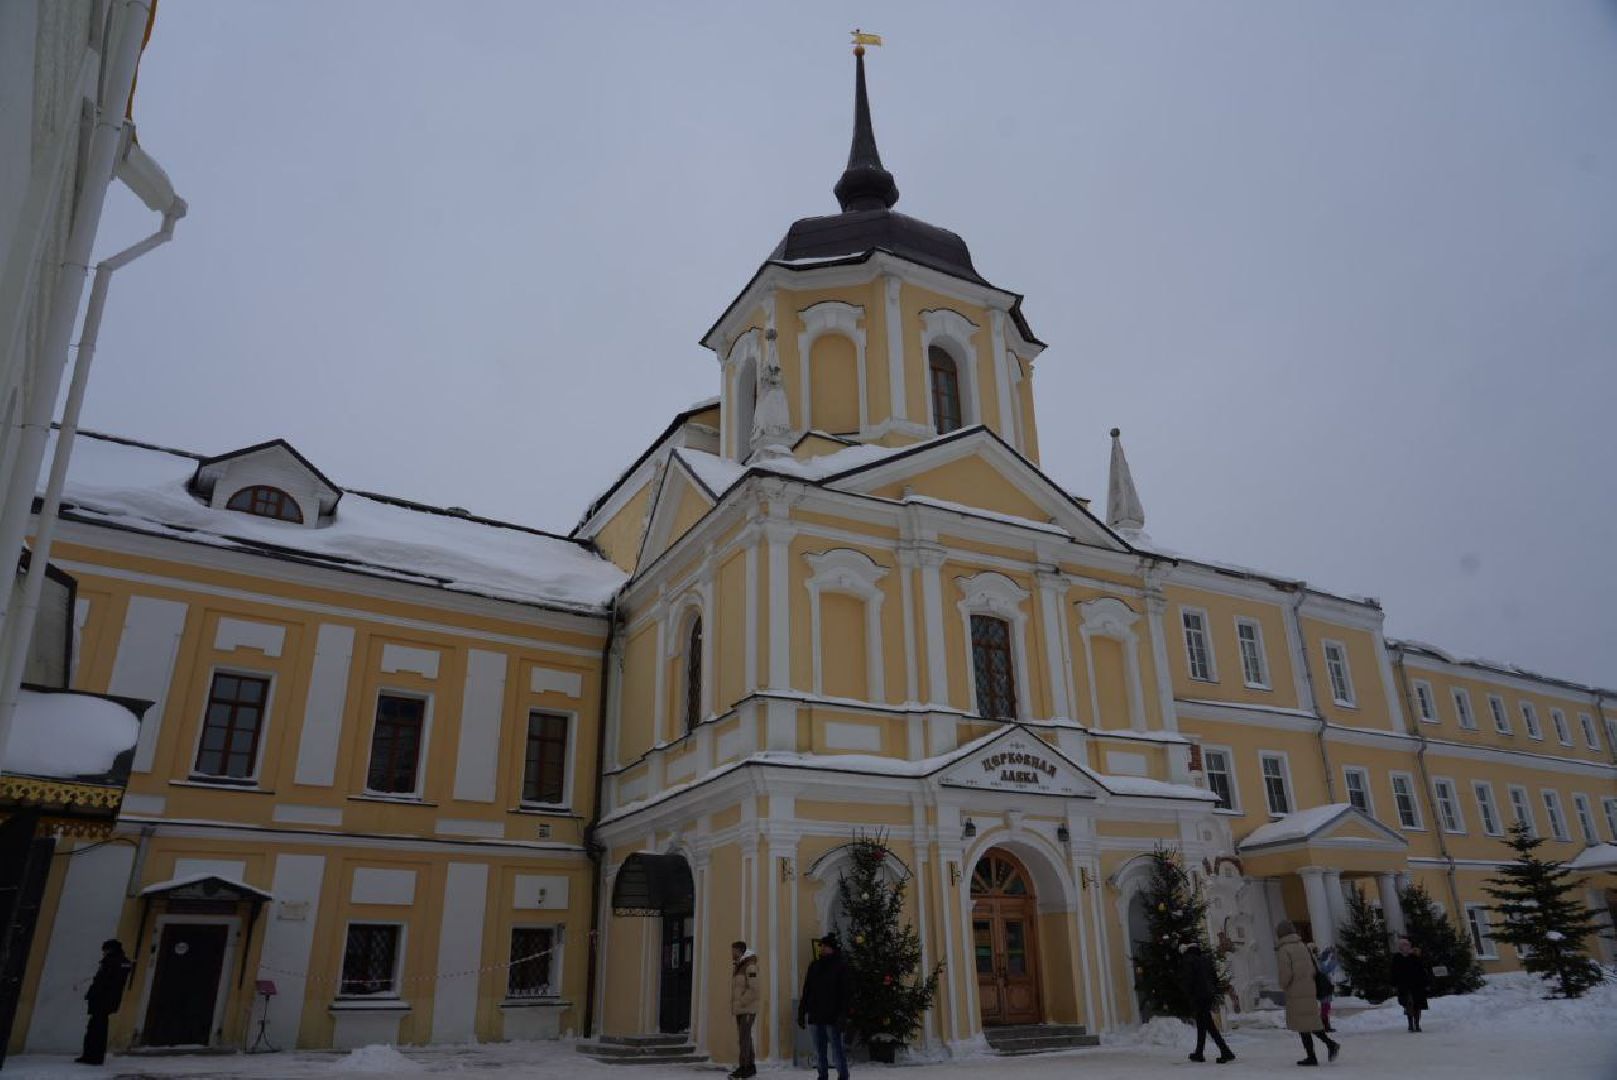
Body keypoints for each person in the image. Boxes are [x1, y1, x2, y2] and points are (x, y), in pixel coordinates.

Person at [1275, 922, 1340, 1067]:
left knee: (1303, 1024)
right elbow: (1314, 967)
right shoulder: (1303, 946)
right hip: (1309, 988)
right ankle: (1324, 1048)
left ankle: (1319, 1052)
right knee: (1309, 1022)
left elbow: (1286, 973)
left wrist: (1283, 984)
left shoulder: (1284, 950)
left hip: (1295, 990)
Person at [797, 933, 852, 1080]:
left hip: (833, 1016)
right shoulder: (814, 966)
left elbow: (845, 993)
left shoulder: (841, 966)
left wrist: (843, 1014)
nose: (822, 948)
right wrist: (802, 1011)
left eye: (825, 946)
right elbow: (807, 989)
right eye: (821, 946)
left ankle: (843, 1075)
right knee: (819, 1050)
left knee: (837, 1049)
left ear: (832, 948)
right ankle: (822, 1075)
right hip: (815, 1014)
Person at [1179, 941, 1235, 1064]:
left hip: (1198, 997)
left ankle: (1225, 1051)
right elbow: (1214, 979)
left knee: (1208, 1025)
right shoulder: (1205, 959)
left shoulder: (1188, 960)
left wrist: (1188, 994)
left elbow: (1188, 979)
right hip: (1208, 996)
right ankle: (1200, 1052)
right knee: (1204, 1024)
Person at [77, 939, 131, 1065]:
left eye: (105, 949)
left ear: (110, 949)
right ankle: (93, 1056)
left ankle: (92, 1056)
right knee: (98, 1027)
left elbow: (102, 982)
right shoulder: (122, 962)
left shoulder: (111, 962)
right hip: (109, 1000)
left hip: (102, 999)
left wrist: (92, 994)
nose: (103, 952)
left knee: (96, 1029)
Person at [729, 940, 760, 1079]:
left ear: (740, 951)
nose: (732, 953)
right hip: (741, 1010)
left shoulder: (750, 966)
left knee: (744, 1039)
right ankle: (751, 1066)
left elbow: (754, 989)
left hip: (747, 1009)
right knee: (746, 1038)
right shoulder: (739, 966)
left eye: (733, 951)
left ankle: (744, 1068)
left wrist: (741, 1002)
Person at [1389, 936, 1430, 1033]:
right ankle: (1411, 1024)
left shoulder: (1414, 957)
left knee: (1417, 1005)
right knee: (1408, 1005)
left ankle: (1417, 1024)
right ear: (1400, 947)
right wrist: (1393, 984)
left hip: (1417, 986)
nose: (1406, 947)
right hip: (1404, 986)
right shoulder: (1397, 958)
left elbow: (1421, 971)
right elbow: (1394, 972)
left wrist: (1426, 983)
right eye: (1404, 945)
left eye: (1407, 945)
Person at [1308, 943, 1335, 1033]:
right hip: (1323, 986)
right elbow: (1325, 970)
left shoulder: (1314, 960)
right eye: (1316, 950)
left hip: (1323, 985)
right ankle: (1324, 1025)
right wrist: (1333, 961)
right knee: (1325, 1006)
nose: (1317, 951)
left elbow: (1322, 958)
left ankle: (1324, 1025)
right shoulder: (1315, 962)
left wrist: (1328, 951)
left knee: (1326, 1006)